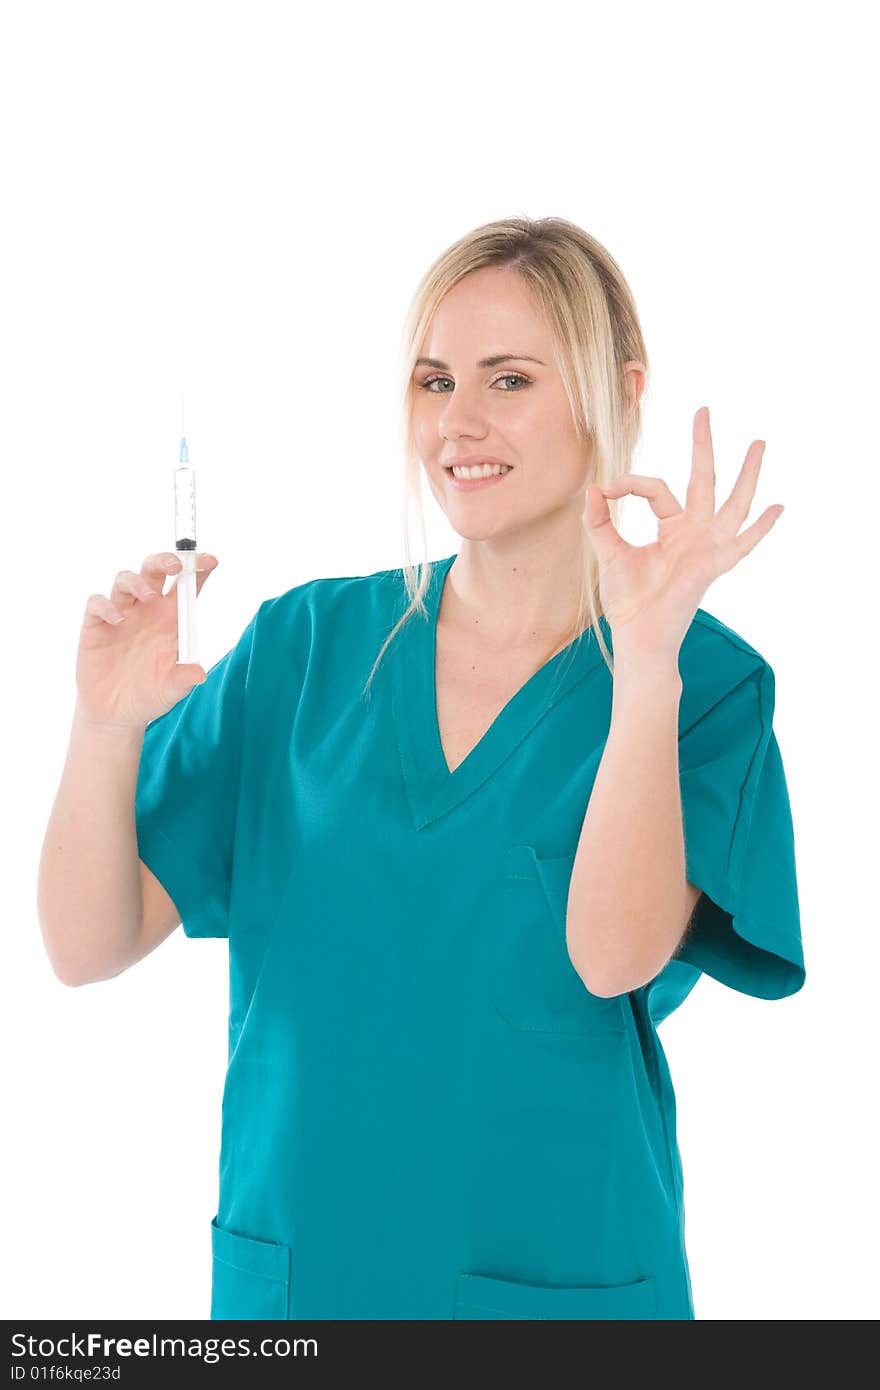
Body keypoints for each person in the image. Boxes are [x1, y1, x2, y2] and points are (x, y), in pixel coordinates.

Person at [38, 216, 805, 1321]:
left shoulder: (701, 685)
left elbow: (611, 957)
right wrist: (104, 728)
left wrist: (642, 664)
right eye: (435, 380)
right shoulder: (300, 649)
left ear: (614, 390)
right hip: (300, 1284)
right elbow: (85, 944)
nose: (460, 423)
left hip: (561, 1281)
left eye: (509, 380)